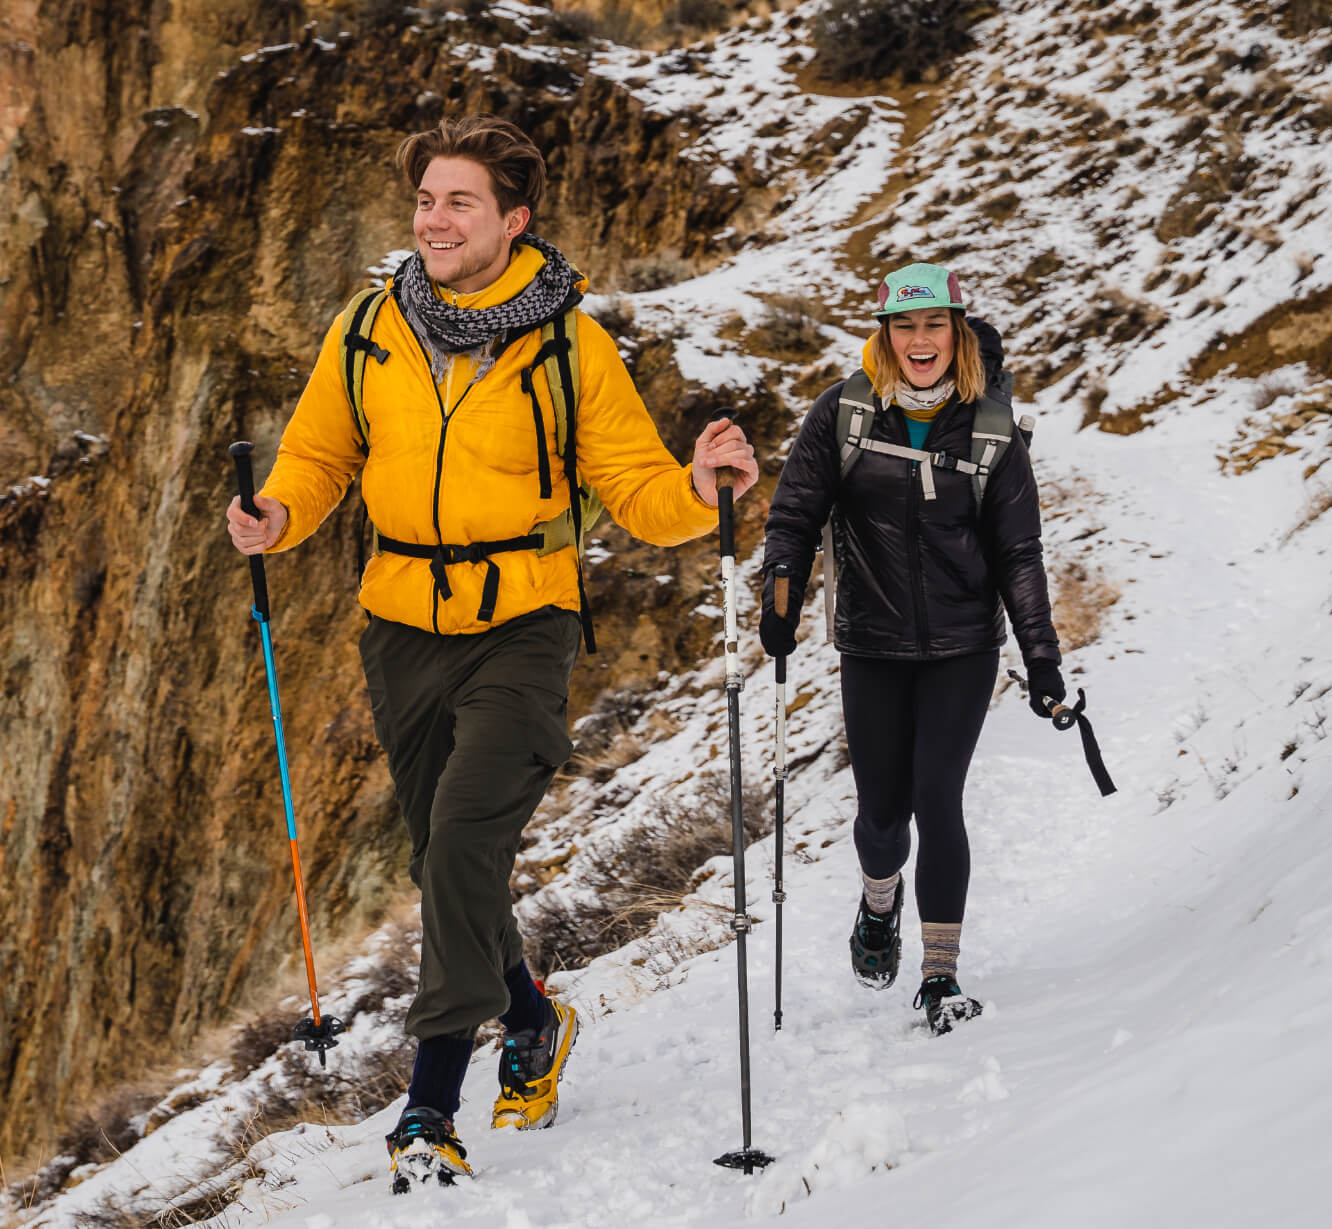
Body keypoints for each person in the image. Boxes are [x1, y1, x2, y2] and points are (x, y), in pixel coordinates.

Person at [226, 114, 758, 1190]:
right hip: (402, 625)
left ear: (515, 219)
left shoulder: (569, 344)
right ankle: (529, 1014)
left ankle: (427, 1107)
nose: (434, 219)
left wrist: (700, 490)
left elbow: (638, 489)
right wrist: (277, 513)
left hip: (526, 621)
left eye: (459, 201)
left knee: (464, 845)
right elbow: (322, 452)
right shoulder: (370, 326)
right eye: (426, 200)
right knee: (444, 861)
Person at [757, 261, 1061, 1036]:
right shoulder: (846, 413)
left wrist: (1043, 659)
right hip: (873, 641)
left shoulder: (990, 427)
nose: (918, 340)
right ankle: (877, 900)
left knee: (938, 801)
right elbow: (794, 515)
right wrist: (781, 598)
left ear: (957, 331)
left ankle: (939, 973)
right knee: (883, 816)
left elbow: (1020, 554)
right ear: (884, 331)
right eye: (904, 325)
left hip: (964, 644)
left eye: (934, 325)